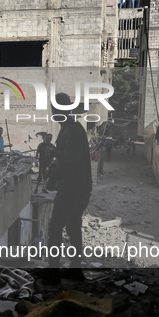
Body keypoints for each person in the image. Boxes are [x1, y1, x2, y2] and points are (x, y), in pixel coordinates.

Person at [41, 93, 92, 284]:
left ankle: (53, 273)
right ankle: (75, 270)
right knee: (73, 226)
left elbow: (71, 159)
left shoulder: (72, 129)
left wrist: (54, 152)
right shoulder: (68, 128)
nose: (53, 113)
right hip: (76, 186)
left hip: (73, 187)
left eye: (55, 109)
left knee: (55, 227)